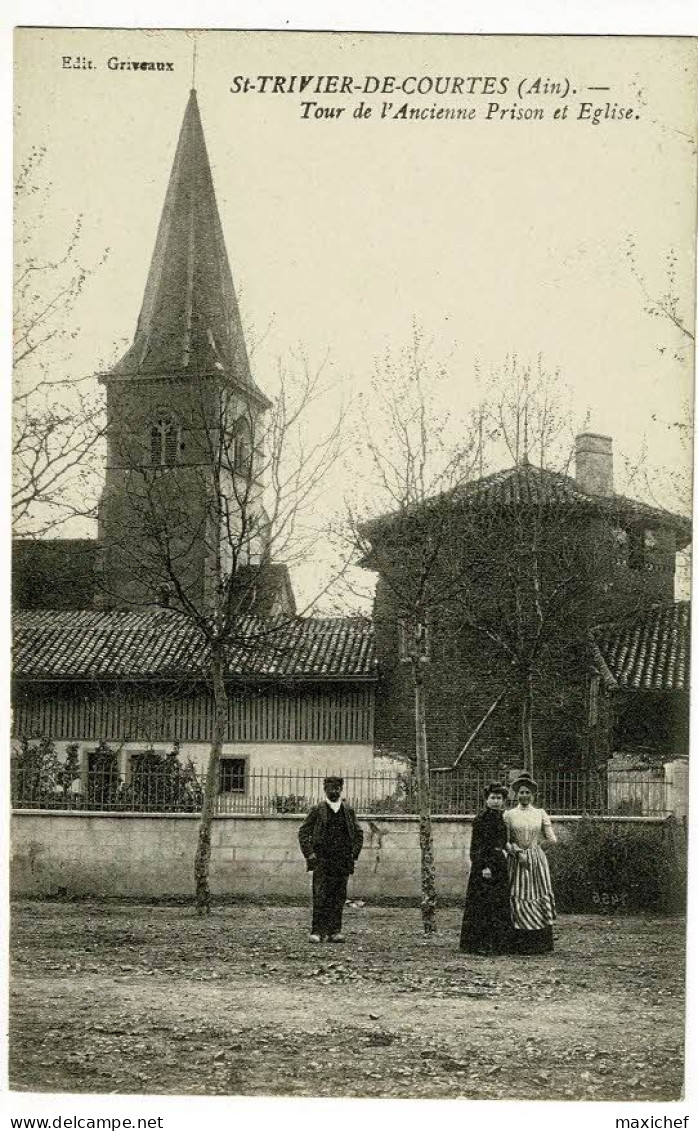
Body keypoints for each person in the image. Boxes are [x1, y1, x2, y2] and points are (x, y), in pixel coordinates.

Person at [298, 775, 364, 943]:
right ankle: (317, 932)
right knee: (320, 895)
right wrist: (310, 854)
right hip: (322, 860)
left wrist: (353, 854)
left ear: (341, 790)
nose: (333, 791)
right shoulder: (317, 810)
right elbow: (303, 832)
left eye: (336, 788)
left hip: (342, 861)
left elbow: (358, 833)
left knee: (338, 895)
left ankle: (335, 931)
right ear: (324, 790)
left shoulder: (348, 811)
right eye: (330, 788)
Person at [504, 773, 557, 954]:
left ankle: (539, 943)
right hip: (516, 860)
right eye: (521, 792)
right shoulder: (509, 815)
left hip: (536, 860)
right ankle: (519, 942)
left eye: (527, 792)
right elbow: (506, 840)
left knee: (537, 893)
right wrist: (517, 852)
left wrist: (537, 850)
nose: (524, 796)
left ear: (533, 795)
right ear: (516, 795)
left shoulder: (540, 813)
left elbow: (552, 839)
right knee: (518, 893)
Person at [460, 781, 512, 955]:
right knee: (483, 905)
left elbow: (502, 841)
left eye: (499, 798)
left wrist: (507, 850)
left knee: (498, 903)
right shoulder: (481, 819)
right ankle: (479, 944)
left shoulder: (502, 818)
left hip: (499, 863)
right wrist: (483, 866)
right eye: (493, 798)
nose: (496, 801)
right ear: (486, 800)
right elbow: (477, 846)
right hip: (485, 866)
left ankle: (498, 943)